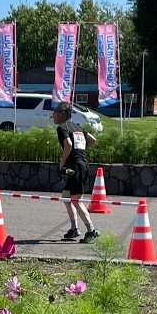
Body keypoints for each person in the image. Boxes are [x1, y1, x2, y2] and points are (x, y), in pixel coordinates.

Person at [53, 103, 99, 242]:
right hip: (81, 164)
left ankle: (91, 230)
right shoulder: (77, 127)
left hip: (75, 167)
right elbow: (92, 140)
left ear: (62, 114)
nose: (53, 116)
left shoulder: (62, 128)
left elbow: (68, 144)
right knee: (66, 197)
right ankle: (74, 229)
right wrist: (80, 152)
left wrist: (62, 162)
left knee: (76, 200)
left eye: (55, 113)